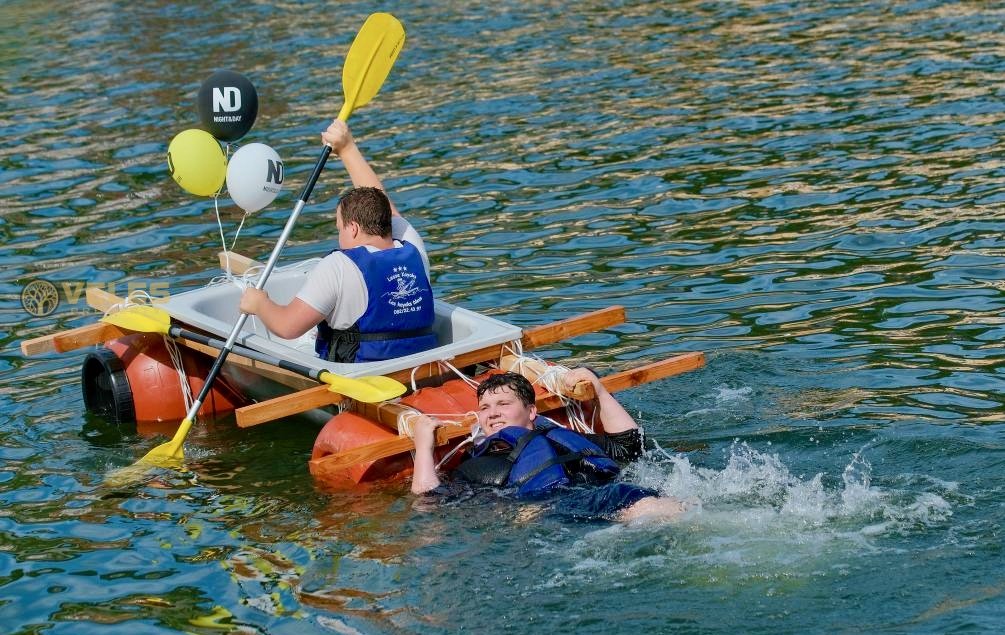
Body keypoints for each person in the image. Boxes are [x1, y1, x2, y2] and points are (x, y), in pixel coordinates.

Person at [239, 119, 437, 363]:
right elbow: (390, 210)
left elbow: (287, 327)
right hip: (418, 366)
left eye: (339, 228)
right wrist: (347, 148)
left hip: (365, 379)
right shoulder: (413, 247)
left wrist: (259, 303)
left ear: (353, 228)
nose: (339, 235)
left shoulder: (338, 266)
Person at [410, 369, 689, 523]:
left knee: (662, 505)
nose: (492, 413)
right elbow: (428, 499)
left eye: (503, 404)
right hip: (560, 511)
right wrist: (423, 445)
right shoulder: (477, 466)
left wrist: (599, 389)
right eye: (484, 408)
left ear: (532, 412)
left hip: (603, 498)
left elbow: (630, 446)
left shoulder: (564, 439)